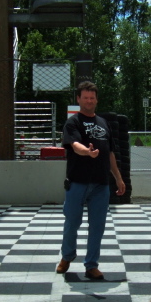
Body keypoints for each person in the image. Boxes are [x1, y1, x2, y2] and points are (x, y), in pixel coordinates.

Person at [56, 81, 126, 280]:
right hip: (77, 182)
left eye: (92, 97)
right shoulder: (73, 122)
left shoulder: (104, 123)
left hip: (101, 184)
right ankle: (67, 257)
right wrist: (87, 152)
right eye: (85, 97)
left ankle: (92, 264)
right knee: (72, 222)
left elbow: (110, 154)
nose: (89, 101)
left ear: (97, 99)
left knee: (98, 226)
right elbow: (74, 144)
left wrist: (119, 179)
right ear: (78, 99)